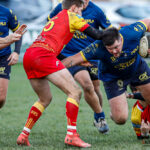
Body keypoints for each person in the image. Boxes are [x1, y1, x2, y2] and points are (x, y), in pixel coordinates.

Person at [16, 0, 105, 148]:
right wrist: (120, 33)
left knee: (44, 99)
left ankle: (24, 134)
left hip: (30, 55)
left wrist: (75, 61)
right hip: (43, 56)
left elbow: (53, 46)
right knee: (75, 92)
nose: (81, 14)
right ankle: (72, 136)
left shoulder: (57, 17)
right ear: (74, 7)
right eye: (81, 10)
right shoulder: (73, 16)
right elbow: (97, 35)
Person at [62, 18, 150, 127]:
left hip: (137, 69)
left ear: (121, 39)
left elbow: (148, 21)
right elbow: (73, 59)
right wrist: (51, 66)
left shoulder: (132, 32)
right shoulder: (97, 47)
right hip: (113, 78)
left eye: (116, 47)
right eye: (110, 49)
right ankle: (116, 109)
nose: (114, 51)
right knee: (120, 119)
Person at [48, 0, 112, 133]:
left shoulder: (97, 11)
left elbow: (108, 30)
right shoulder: (61, 7)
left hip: (91, 55)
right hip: (70, 55)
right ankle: (101, 118)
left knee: (95, 87)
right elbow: (50, 24)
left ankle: (97, 116)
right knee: (87, 85)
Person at [0, 5, 24, 109]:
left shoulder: (6, 12)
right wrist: (6, 40)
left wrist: (16, 52)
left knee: (1, 98)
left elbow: (19, 32)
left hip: (3, 57)